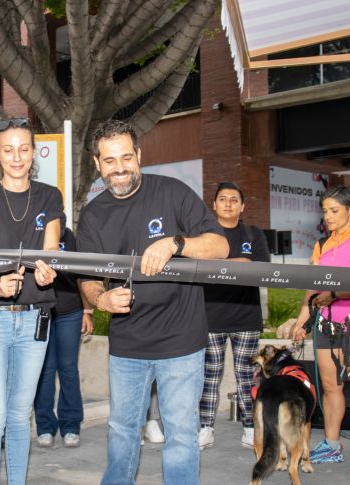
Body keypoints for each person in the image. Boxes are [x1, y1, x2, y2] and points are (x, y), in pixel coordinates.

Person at [76, 120, 229, 485]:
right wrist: (101, 299)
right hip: (127, 345)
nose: (120, 168)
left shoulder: (173, 192)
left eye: (126, 157)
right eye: (109, 160)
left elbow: (220, 246)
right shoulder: (93, 215)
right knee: (121, 431)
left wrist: (175, 243)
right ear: (97, 163)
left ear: (139, 155)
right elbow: (87, 278)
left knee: (181, 435)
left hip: (182, 341)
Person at [0, 117, 62, 485]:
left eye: (23, 149)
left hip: (35, 317)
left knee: (20, 416)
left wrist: (47, 272)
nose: (17, 157)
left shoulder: (50, 196)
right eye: (8, 150)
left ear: (34, 152)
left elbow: (51, 254)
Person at [291, 185, 350, 479]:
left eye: (334, 210)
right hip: (325, 327)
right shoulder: (321, 245)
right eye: (325, 211)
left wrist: (333, 294)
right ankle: (332, 445)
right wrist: (301, 320)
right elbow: (312, 287)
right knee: (331, 388)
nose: (328, 216)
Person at [198, 181, 270, 450]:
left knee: (247, 377)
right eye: (223, 199)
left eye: (234, 199)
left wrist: (218, 264)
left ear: (242, 206)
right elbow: (198, 266)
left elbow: (260, 267)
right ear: (214, 205)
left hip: (246, 317)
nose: (228, 203)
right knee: (209, 377)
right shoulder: (204, 235)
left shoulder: (253, 234)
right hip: (210, 317)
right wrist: (239, 264)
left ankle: (251, 428)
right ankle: (205, 428)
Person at [33, 227, 94, 448]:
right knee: (45, 371)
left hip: (71, 312)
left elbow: (80, 276)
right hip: (43, 312)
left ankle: (71, 426)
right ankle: (45, 426)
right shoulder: (35, 231)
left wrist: (87, 310)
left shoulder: (69, 236)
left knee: (68, 369)